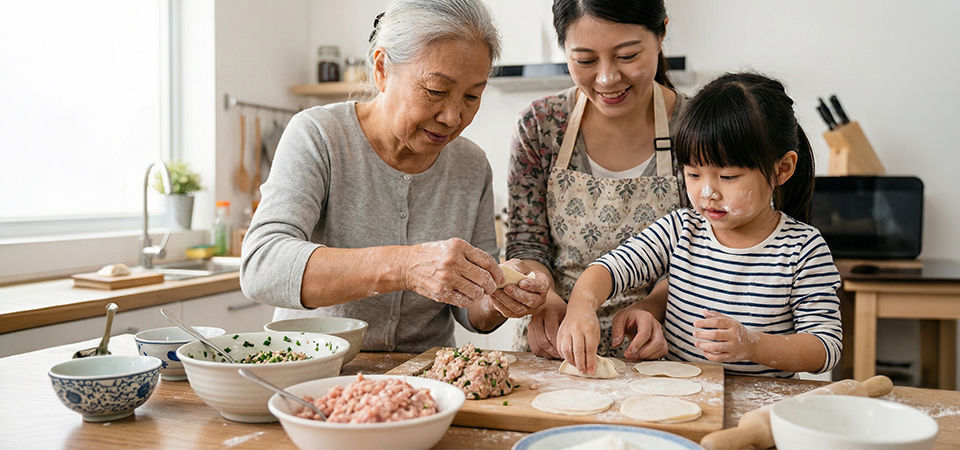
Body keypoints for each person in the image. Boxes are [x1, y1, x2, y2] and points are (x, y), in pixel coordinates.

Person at [240, 0, 548, 353]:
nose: (453, 116)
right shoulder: (319, 136)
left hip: (425, 384)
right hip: (313, 369)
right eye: (436, 91)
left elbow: (471, 311)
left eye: (471, 96)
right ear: (383, 68)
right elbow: (262, 267)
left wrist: (498, 297)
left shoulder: (471, 165)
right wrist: (406, 265)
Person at [556, 72, 843, 378]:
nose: (708, 193)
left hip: (758, 413)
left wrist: (753, 345)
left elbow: (825, 347)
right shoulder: (681, 229)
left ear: (782, 169)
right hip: (683, 399)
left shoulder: (802, 249)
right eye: (693, 174)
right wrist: (580, 308)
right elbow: (608, 269)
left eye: (728, 177)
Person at [506, 0, 687, 360]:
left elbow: (712, 250)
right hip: (556, 352)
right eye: (585, 60)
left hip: (662, 352)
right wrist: (547, 300)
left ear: (662, 33)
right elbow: (527, 245)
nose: (606, 78)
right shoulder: (542, 127)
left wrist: (653, 307)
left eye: (627, 55)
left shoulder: (697, 128)